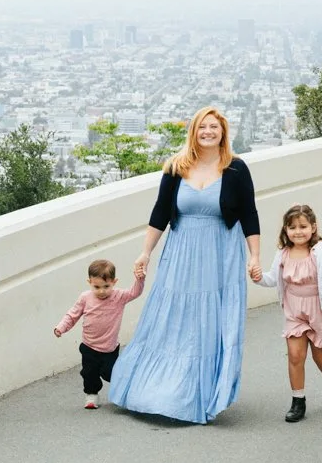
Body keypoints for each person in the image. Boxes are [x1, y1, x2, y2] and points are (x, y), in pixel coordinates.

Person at [108, 106, 263, 424]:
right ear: (194, 131)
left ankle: (197, 394)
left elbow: (249, 213)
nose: (208, 132)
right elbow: (160, 212)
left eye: (214, 127)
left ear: (223, 132)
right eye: (202, 127)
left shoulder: (236, 169)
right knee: (174, 317)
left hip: (219, 254)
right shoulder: (176, 167)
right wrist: (145, 253)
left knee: (206, 322)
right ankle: (155, 389)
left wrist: (255, 256)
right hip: (180, 254)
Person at [256, 203, 322, 422]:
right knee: (295, 355)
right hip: (294, 309)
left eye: (303, 226)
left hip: (319, 309)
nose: (298, 231)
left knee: (321, 358)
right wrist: (258, 277)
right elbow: (273, 278)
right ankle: (298, 400)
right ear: (285, 230)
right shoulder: (283, 253)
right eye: (292, 227)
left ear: (313, 227)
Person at [54, 258, 145, 409]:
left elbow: (135, 292)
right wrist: (61, 327)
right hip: (89, 346)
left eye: (106, 286)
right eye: (96, 287)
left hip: (109, 348)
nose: (101, 291)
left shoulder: (119, 296)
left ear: (114, 282)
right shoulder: (85, 298)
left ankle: (127, 391)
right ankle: (91, 396)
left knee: (110, 373)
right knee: (89, 373)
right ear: (89, 282)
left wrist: (139, 279)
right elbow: (72, 315)